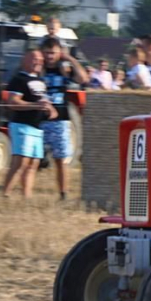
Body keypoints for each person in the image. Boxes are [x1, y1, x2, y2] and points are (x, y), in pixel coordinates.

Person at [2, 50, 57, 198]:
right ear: (25, 60)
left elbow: (43, 101)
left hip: (37, 128)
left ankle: (27, 197)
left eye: (40, 59)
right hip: (21, 125)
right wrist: (35, 105)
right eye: (34, 58)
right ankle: (5, 194)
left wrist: (50, 110)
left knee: (33, 164)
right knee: (21, 162)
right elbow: (13, 102)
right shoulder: (18, 79)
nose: (39, 61)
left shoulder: (41, 82)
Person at [40, 37, 88, 200]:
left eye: (52, 53)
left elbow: (83, 78)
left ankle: (63, 193)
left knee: (61, 159)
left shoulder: (64, 70)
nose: (49, 57)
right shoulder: (39, 69)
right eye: (46, 53)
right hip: (40, 119)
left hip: (60, 120)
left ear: (59, 53)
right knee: (31, 160)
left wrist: (70, 59)